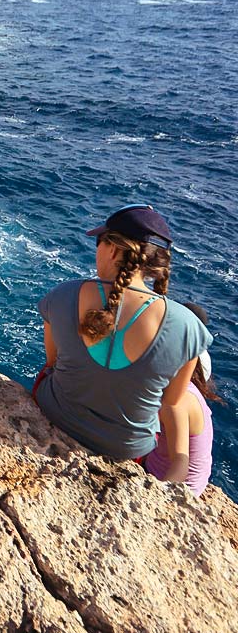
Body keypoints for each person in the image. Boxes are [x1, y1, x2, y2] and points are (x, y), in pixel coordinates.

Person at [33, 205, 211, 464]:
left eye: (99, 242)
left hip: (57, 414)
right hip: (126, 450)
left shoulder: (63, 295)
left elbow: (52, 363)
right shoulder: (189, 328)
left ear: (113, 249)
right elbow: (171, 405)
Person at [144, 302, 219, 496]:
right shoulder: (190, 382)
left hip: (170, 482)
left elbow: (181, 462)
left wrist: (158, 498)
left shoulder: (177, 400)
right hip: (189, 478)